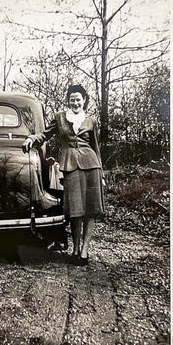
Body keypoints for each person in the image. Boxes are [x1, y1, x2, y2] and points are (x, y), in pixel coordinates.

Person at [23, 85, 105, 263]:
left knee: (90, 211)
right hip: (70, 167)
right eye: (72, 99)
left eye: (78, 99)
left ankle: (84, 251)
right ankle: (75, 249)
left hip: (92, 166)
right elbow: (45, 135)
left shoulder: (91, 120)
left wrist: (102, 174)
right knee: (75, 210)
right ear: (68, 101)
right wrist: (32, 138)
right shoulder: (60, 118)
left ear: (84, 100)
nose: (75, 103)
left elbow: (96, 148)